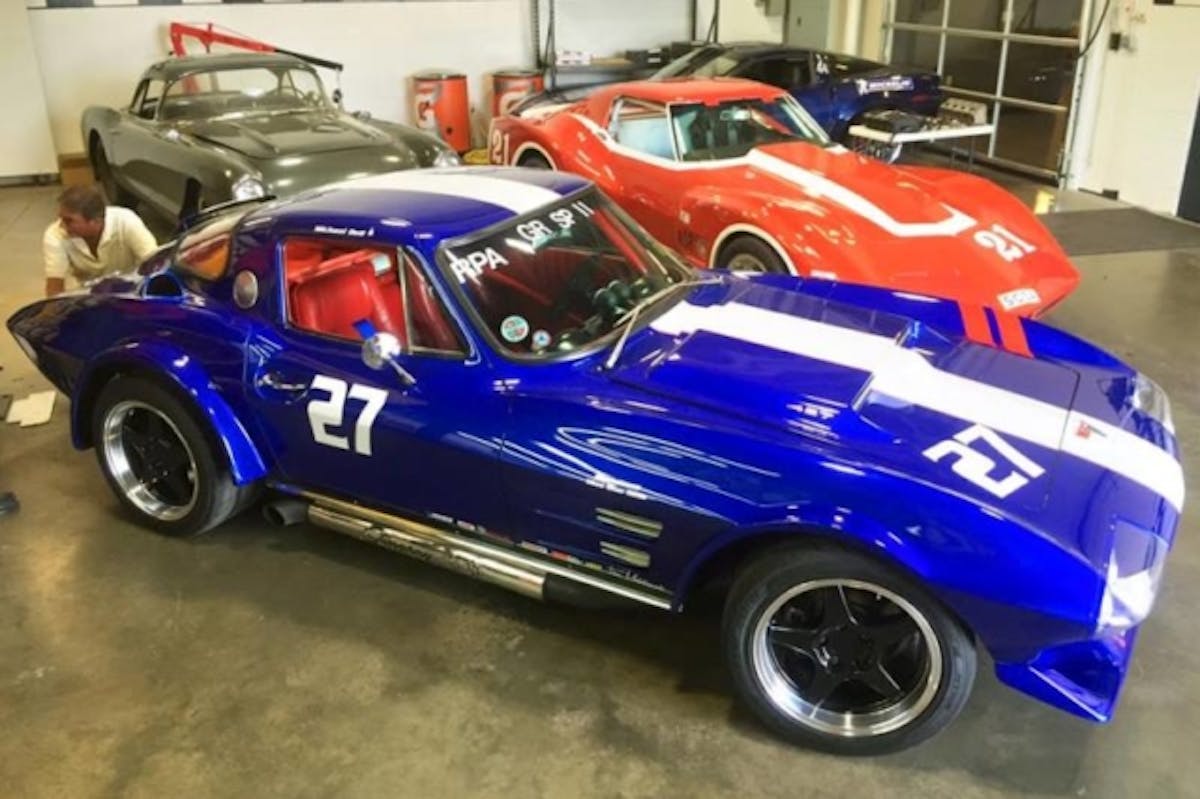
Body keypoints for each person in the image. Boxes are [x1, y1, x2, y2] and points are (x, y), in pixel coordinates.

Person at [43, 185, 157, 297]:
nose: (62, 226)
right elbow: (54, 287)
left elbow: (157, 266)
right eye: (61, 218)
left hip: (134, 292)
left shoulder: (127, 222)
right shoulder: (55, 234)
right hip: (91, 297)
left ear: (96, 221)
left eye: (69, 221)